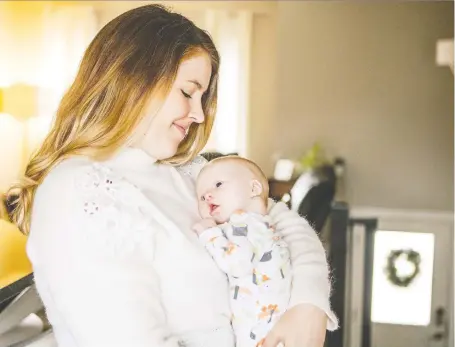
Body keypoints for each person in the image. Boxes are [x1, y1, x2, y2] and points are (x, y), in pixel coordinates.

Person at [6, 4, 337, 347]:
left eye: (202, 96)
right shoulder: (76, 192)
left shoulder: (189, 172)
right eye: (187, 91)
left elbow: (285, 223)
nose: (197, 114)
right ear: (132, 80)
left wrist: (307, 305)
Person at [193, 156, 292, 347]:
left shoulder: (243, 223)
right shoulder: (263, 226)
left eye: (218, 184)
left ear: (254, 189)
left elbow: (237, 263)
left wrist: (209, 234)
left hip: (259, 335)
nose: (207, 196)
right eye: (201, 196)